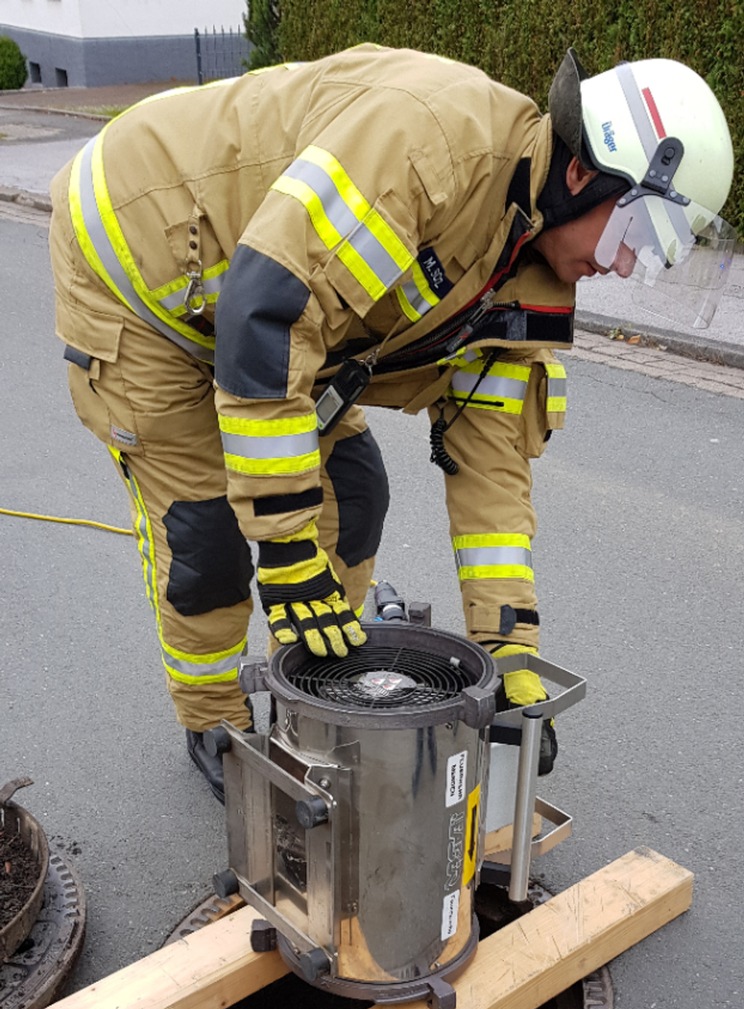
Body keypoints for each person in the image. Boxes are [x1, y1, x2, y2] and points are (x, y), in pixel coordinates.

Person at [48, 44, 735, 803]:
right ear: (581, 175)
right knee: (208, 531)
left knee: (354, 494)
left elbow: (493, 477)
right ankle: (214, 717)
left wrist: (508, 653)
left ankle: (312, 686)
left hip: (269, 314)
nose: (627, 265)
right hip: (139, 268)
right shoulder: (427, 150)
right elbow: (272, 309)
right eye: (631, 235)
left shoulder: (533, 274)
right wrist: (283, 551)